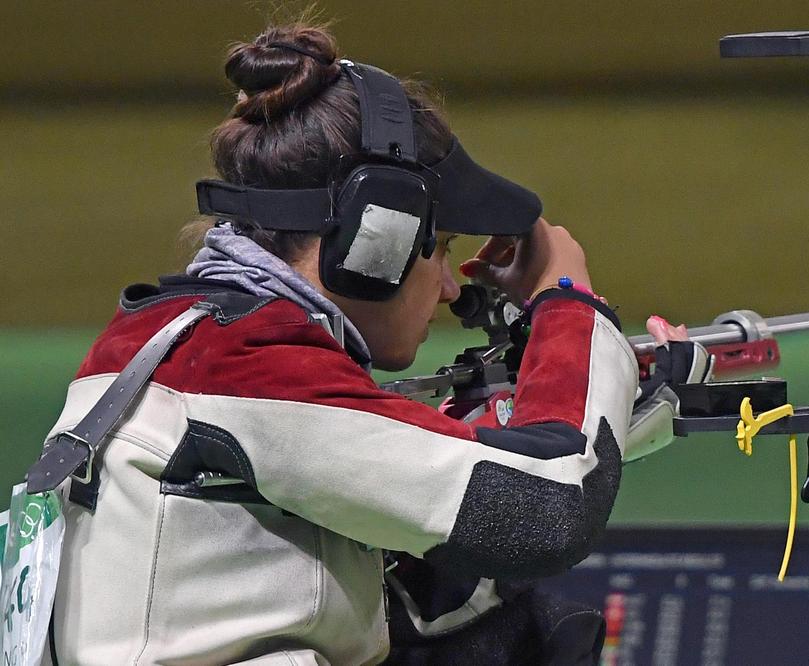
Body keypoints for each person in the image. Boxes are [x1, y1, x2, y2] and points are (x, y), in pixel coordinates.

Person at [39, 21, 706, 666]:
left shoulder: (168, 341)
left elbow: (373, 578)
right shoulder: (244, 364)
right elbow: (549, 506)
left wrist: (606, 409)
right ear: (376, 240)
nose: (448, 287)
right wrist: (568, 303)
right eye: (440, 248)